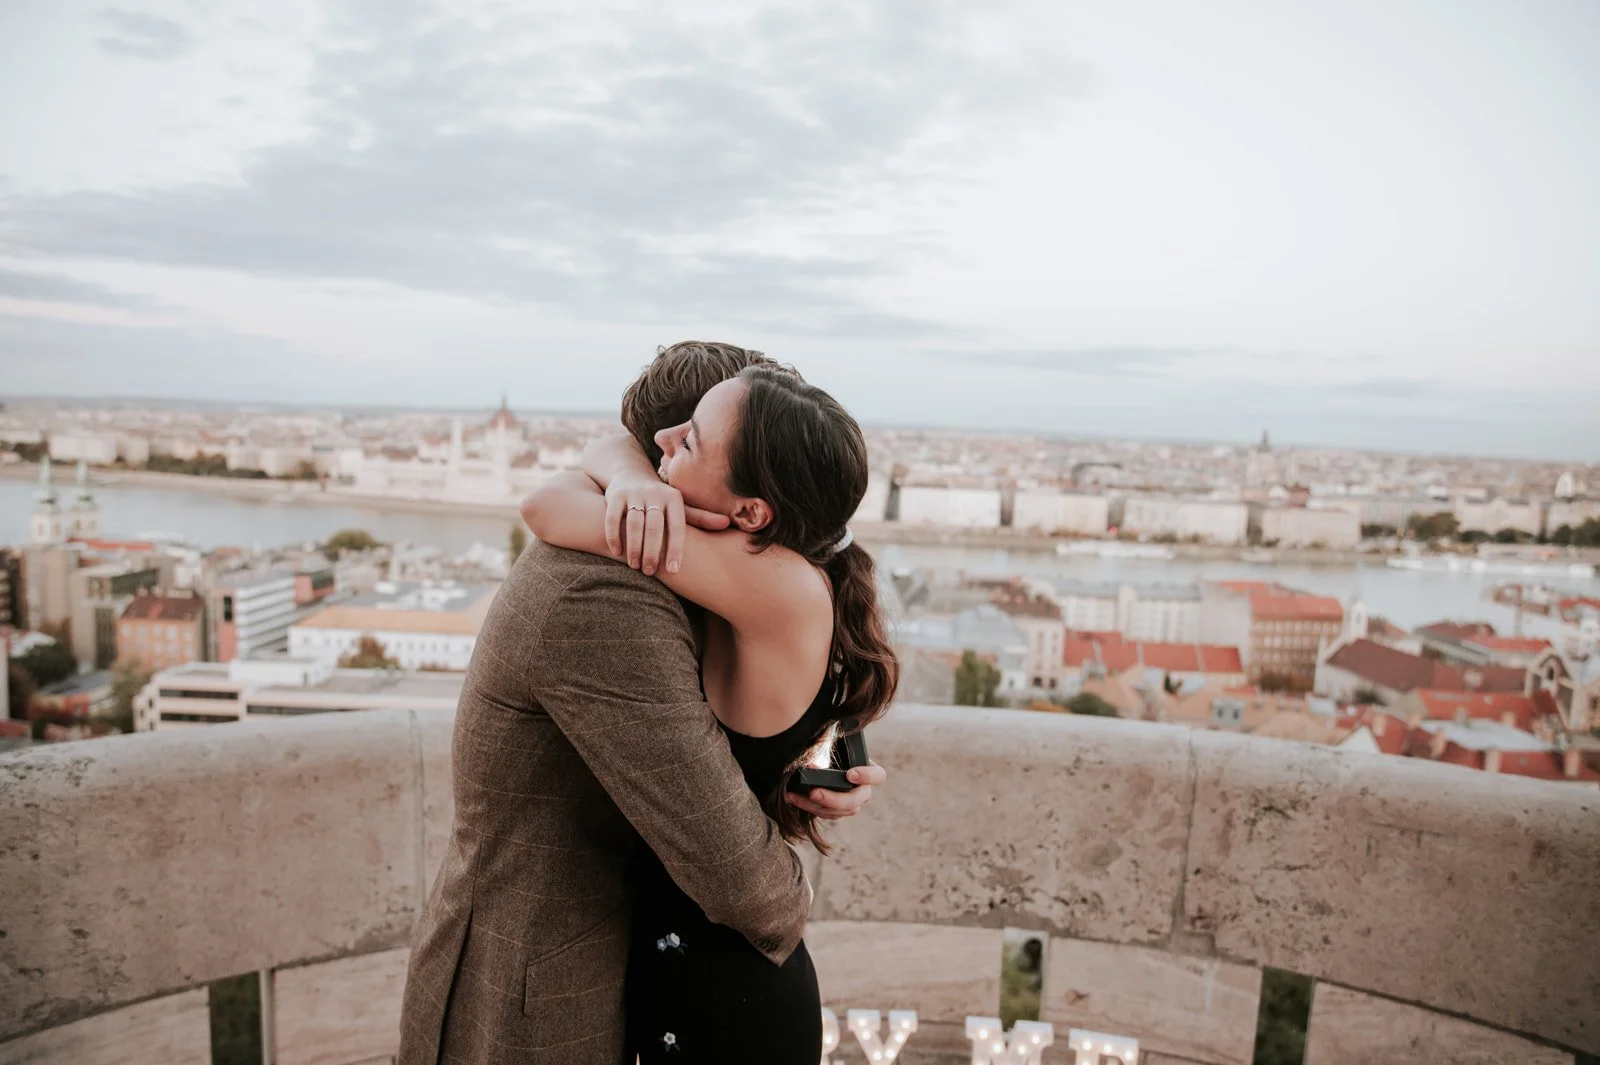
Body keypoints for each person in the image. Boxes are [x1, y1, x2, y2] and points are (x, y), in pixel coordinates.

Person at [397, 342, 885, 1065]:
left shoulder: (712, 570)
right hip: (537, 992)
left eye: (690, 440)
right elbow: (744, 881)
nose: (665, 442)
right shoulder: (609, 588)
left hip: (666, 985)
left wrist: (813, 763)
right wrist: (792, 886)